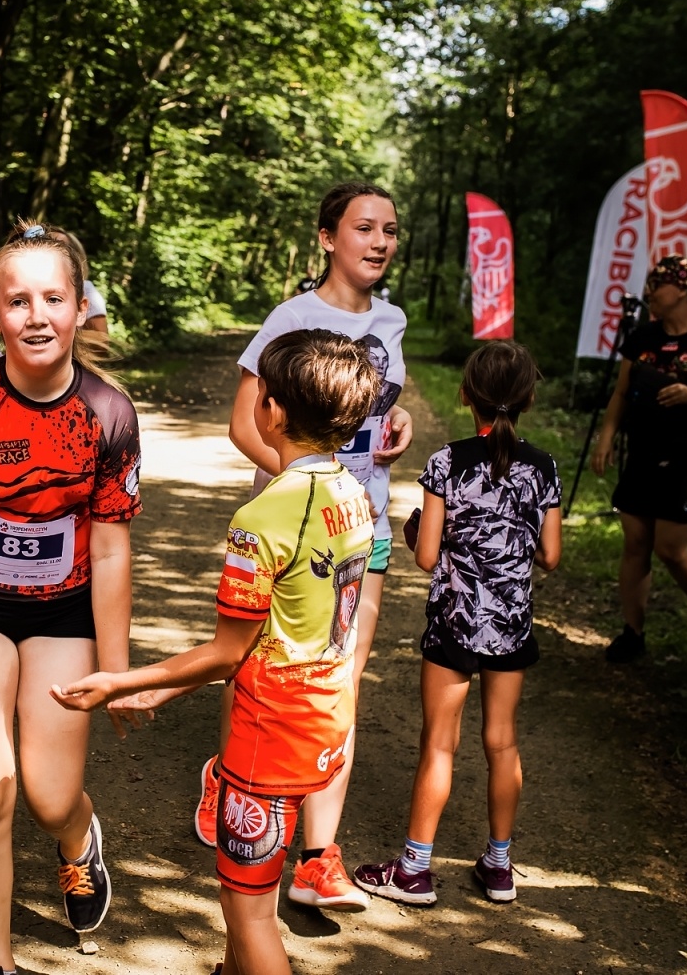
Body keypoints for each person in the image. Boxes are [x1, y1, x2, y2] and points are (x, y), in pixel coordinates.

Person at [52, 329, 377, 975]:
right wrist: (163, 689)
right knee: (254, 889)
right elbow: (268, 636)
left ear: (274, 411)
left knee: (249, 909)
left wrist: (119, 683)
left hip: (267, 736)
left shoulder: (265, 517)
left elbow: (231, 652)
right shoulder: (355, 496)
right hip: (325, 721)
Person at [0, 221, 142, 975]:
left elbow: (112, 548)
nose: (37, 315)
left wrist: (116, 673)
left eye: (54, 298)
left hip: (63, 611)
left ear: (82, 307)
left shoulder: (109, 413)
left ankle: (78, 840)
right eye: (19, 301)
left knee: (49, 797)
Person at [201, 181, 413, 912]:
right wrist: (300, 485)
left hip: (364, 528)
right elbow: (243, 426)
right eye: (364, 228)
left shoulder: (393, 320)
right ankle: (234, 780)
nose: (380, 241)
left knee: (338, 683)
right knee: (257, 666)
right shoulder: (292, 318)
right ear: (328, 238)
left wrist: (399, 425)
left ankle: (318, 857)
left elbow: (379, 406)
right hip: (291, 530)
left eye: (389, 229)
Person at [352, 341, 562, 907]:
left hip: (455, 621)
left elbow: (425, 556)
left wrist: (421, 528)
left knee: (439, 745)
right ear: (528, 399)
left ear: (466, 394)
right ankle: (499, 867)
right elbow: (550, 555)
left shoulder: (447, 462)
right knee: (502, 741)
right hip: (512, 625)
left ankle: (414, 870)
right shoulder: (543, 466)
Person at [590, 251, 687, 664]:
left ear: (682, 289)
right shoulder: (642, 337)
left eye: (657, 285)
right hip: (645, 451)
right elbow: (621, 393)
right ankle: (632, 633)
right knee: (636, 543)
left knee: (671, 549)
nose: (649, 293)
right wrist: (605, 437)